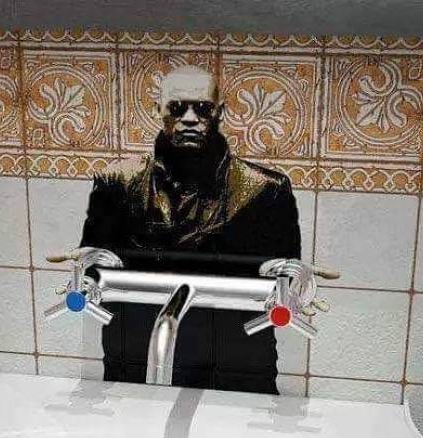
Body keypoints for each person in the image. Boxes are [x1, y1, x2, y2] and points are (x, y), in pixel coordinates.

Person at [80, 65, 301, 394]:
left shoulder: (265, 190)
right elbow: (94, 273)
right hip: (139, 361)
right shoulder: (117, 183)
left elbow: (286, 282)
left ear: (220, 112)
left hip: (236, 367)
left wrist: (297, 279)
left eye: (202, 108)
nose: (189, 118)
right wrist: (84, 266)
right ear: (157, 110)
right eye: (176, 107)